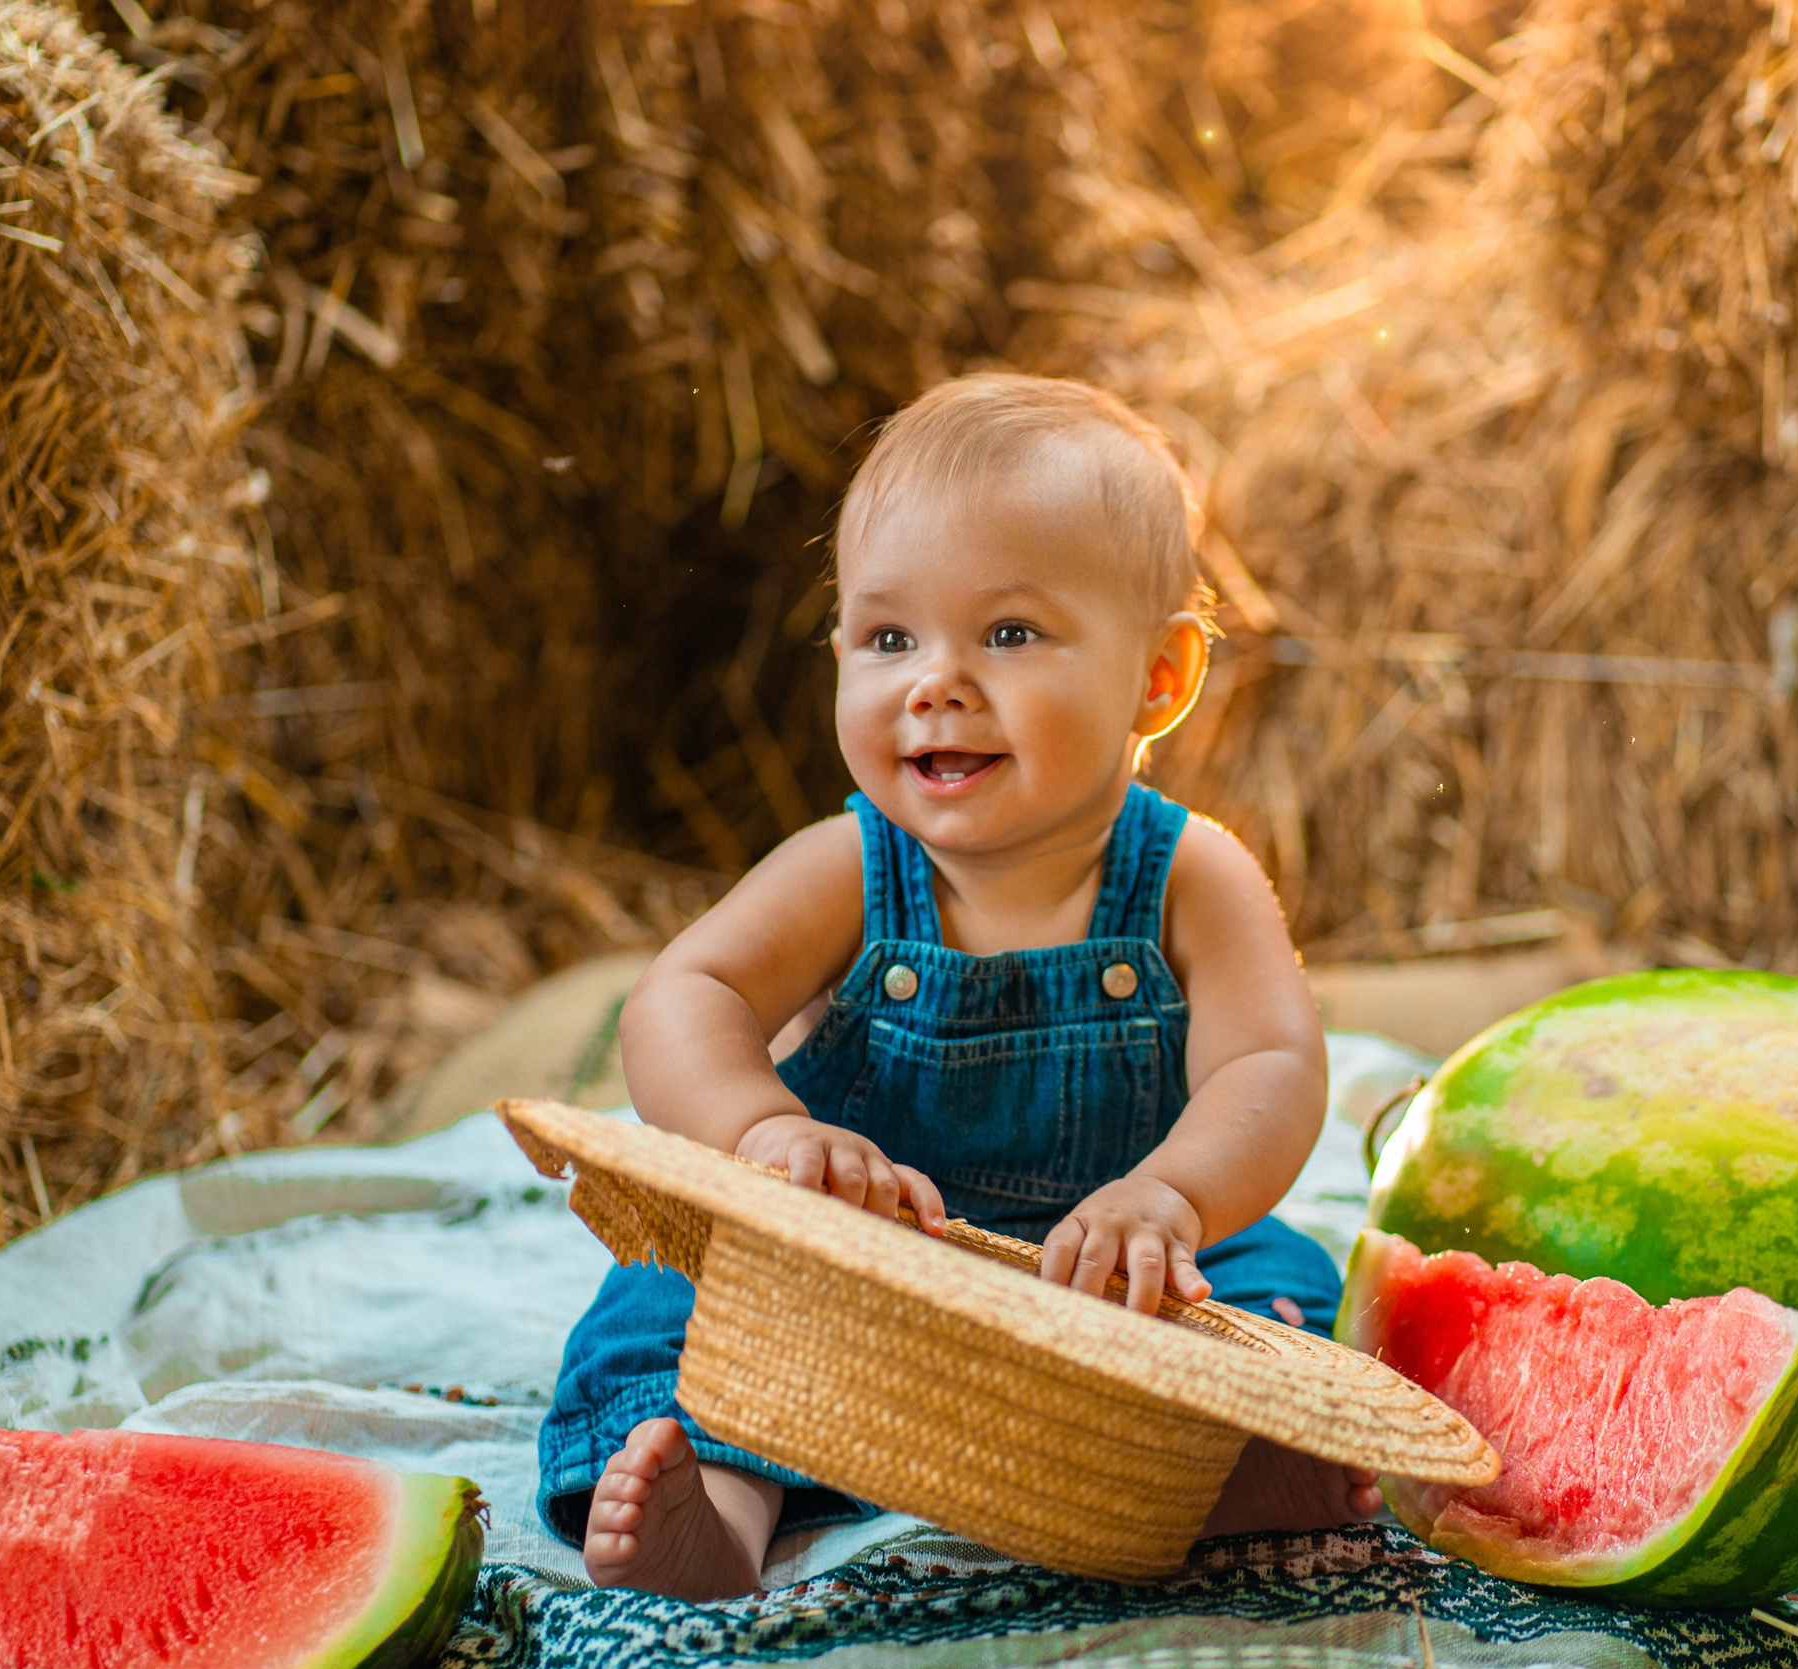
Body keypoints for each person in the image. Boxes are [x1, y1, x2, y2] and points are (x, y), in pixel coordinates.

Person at [537, 372, 1377, 1600]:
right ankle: (715, 1512)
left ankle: (1223, 1473)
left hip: (1104, 1282)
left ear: (1159, 675)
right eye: (889, 639)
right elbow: (683, 997)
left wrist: (1169, 1200)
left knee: (1281, 1288)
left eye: (1009, 634)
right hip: (847, 1283)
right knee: (662, 1311)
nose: (935, 682)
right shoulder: (848, 868)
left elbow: (1269, 1069)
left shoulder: (1193, 875)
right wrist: (766, 1131)